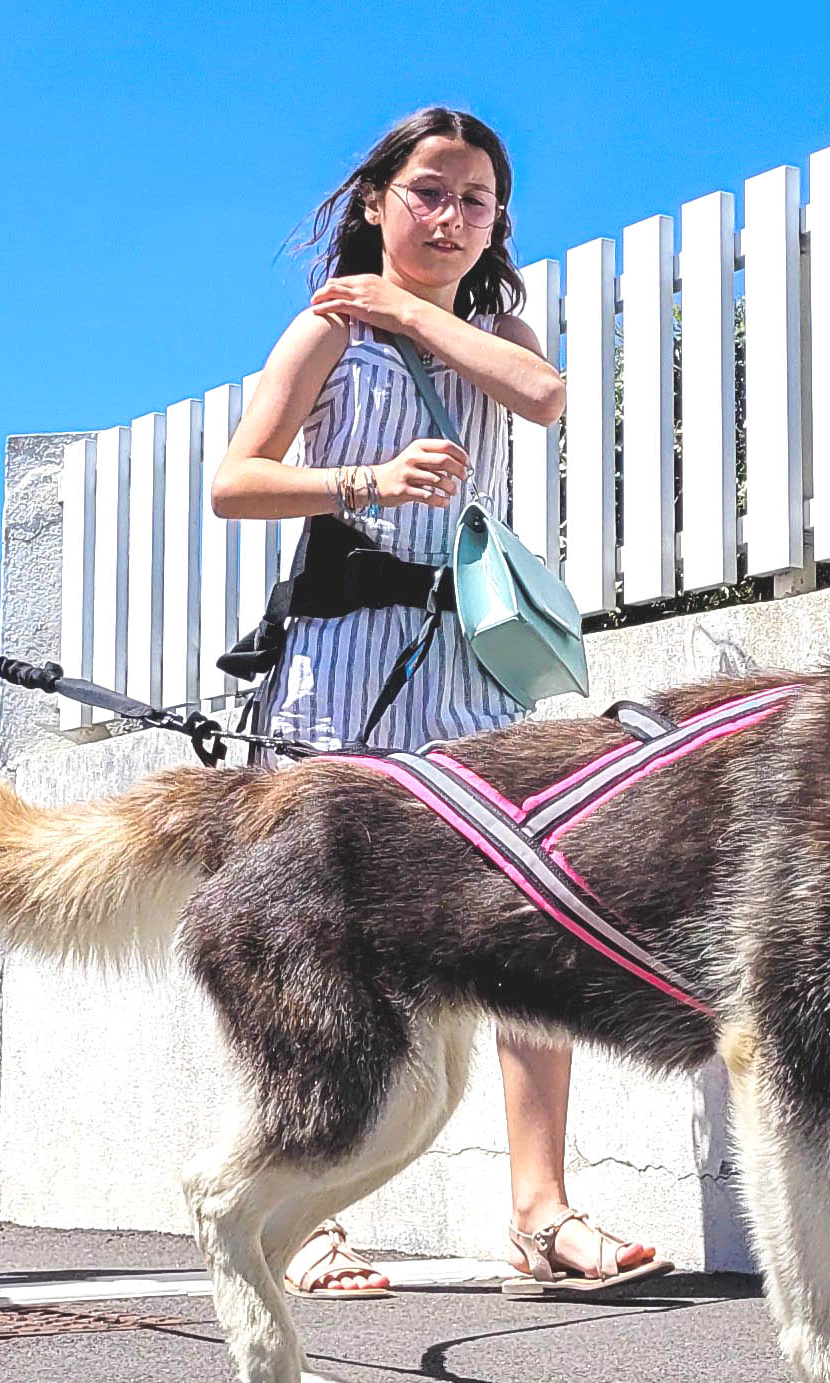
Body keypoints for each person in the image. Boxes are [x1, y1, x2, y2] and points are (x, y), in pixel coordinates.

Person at [209, 107, 669, 1300]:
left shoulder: (484, 327)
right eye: (427, 192)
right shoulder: (322, 332)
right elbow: (234, 480)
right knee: (325, 935)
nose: (451, 216)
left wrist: (412, 309)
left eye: (475, 200)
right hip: (348, 654)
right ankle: (302, 1211)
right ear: (376, 200)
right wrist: (364, 474)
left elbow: (543, 392)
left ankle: (540, 1207)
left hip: (474, 661)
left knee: (529, 918)